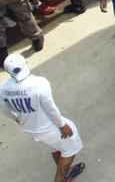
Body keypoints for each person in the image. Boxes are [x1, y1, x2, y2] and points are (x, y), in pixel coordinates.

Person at [2, 54, 85, 182]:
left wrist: (16, 118)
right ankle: (62, 177)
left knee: (56, 146)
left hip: (31, 128)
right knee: (70, 150)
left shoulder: (3, 88)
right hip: (49, 127)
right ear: (25, 64)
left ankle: (65, 172)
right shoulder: (39, 83)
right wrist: (62, 125)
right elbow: (50, 109)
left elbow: (4, 109)